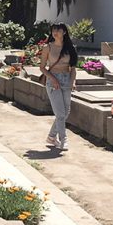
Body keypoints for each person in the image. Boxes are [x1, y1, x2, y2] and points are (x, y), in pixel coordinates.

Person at [40, 22, 78, 150]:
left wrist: (72, 81)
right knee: (60, 113)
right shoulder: (47, 48)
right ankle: (63, 139)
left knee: (65, 112)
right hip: (53, 81)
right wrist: (53, 79)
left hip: (66, 79)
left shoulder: (70, 48)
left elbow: (73, 68)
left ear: (64, 32)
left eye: (58, 30)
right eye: (53, 30)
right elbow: (42, 68)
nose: (55, 32)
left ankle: (51, 137)